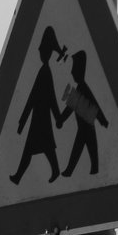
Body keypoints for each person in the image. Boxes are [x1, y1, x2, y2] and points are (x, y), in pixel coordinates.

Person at [10, 25, 67, 185]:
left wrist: (58, 117)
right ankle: (20, 176)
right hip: (39, 117)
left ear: (46, 52)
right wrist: (22, 121)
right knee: (40, 147)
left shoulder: (45, 73)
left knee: (37, 147)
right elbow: (32, 98)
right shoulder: (43, 71)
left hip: (41, 117)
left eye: (41, 50)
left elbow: (50, 97)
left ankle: (20, 176)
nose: (39, 53)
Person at [57, 49, 109, 177]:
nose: (71, 72)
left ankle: (89, 170)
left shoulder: (82, 88)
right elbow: (71, 107)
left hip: (87, 125)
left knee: (87, 149)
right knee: (84, 148)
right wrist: (61, 120)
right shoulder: (81, 88)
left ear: (79, 70)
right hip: (84, 125)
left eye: (74, 69)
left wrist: (103, 120)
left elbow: (91, 105)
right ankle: (77, 170)